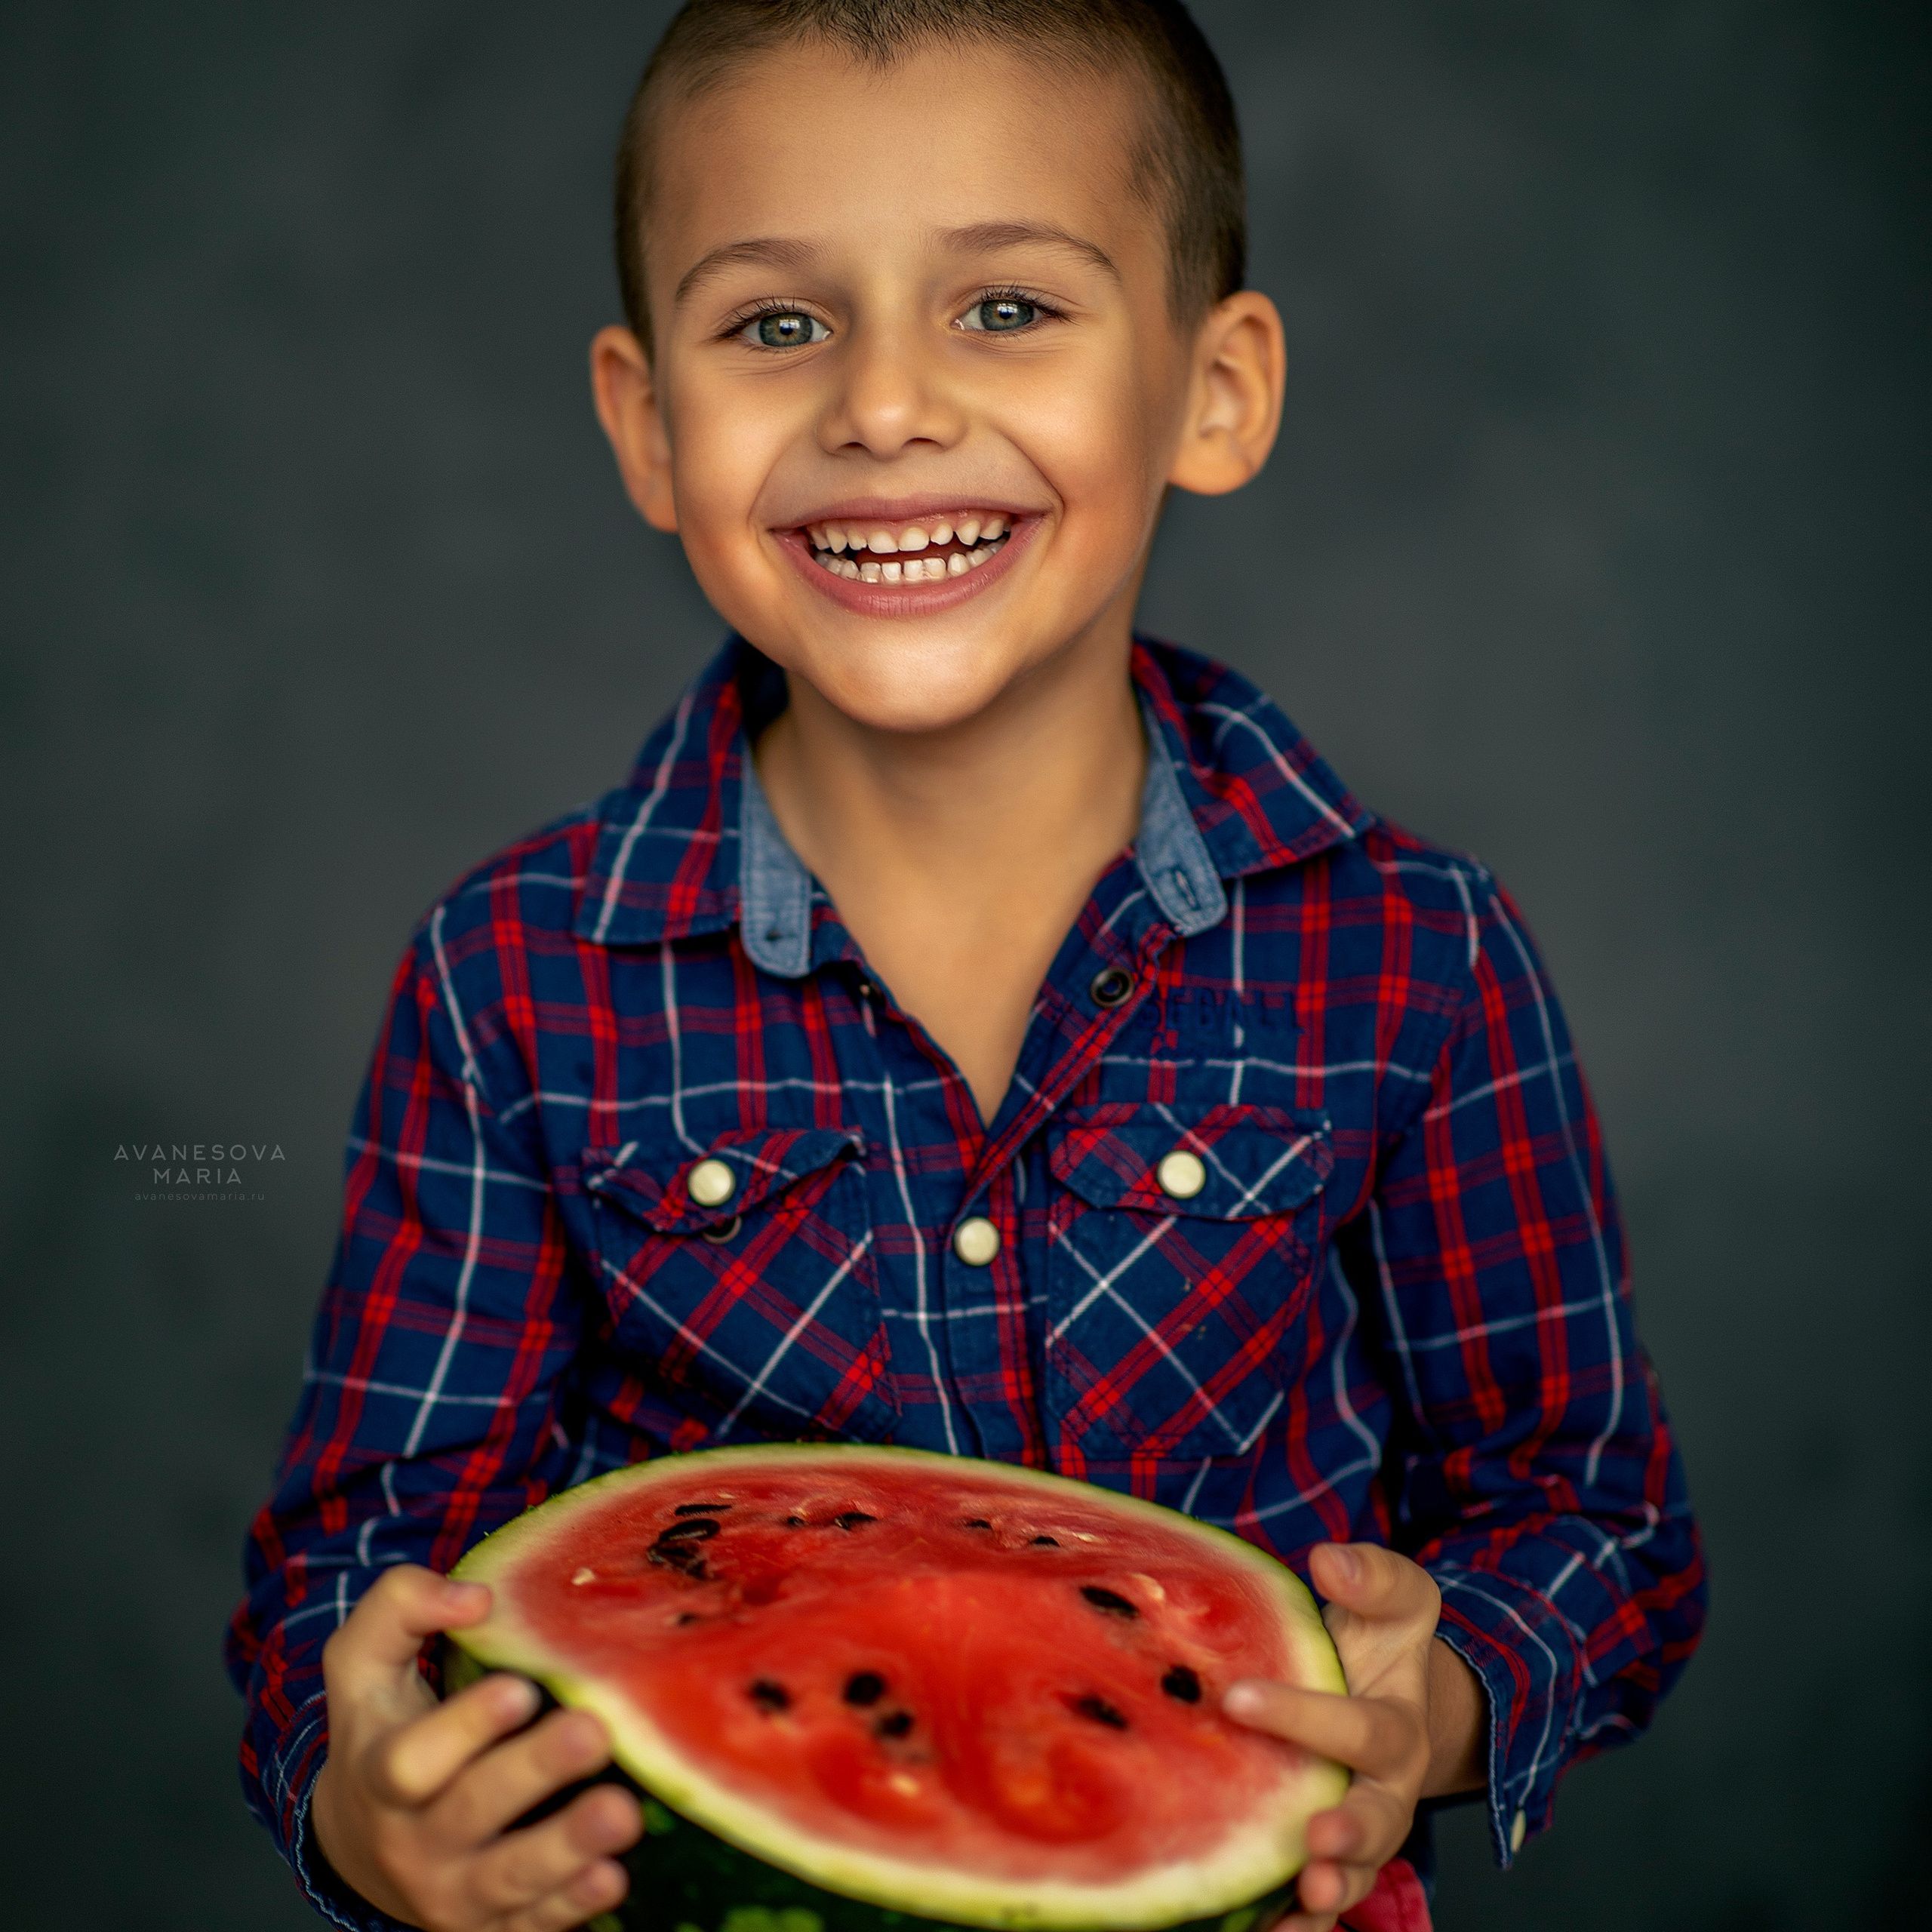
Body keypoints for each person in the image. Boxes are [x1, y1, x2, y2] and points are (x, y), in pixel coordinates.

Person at [226, 5, 1706, 1930]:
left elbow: (1589, 1513)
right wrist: (369, 1814)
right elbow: (371, 1556)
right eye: (775, 324)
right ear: (644, 424)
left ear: (1215, 387)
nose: (886, 407)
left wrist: (1449, 1697)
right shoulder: (509, 976)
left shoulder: (1413, 954)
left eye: (1007, 308)